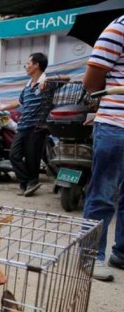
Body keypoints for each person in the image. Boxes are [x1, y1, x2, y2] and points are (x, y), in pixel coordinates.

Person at [80, 14, 124, 282]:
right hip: (116, 125)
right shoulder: (118, 28)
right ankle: (90, 256)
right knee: (103, 195)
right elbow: (91, 83)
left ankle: (121, 253)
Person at [0, 53, 68, 197]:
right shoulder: (28, 85)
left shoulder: (47, 83)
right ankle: (30, 181)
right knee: (14, 155)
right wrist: (3, 108)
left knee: (32, 159)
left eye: (28, 63)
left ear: (36, 65)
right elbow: (20, 102)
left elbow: (68, 79)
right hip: (23, 126)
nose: (26, 66)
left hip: (37, 127)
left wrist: (49, 79)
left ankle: (27, 185)